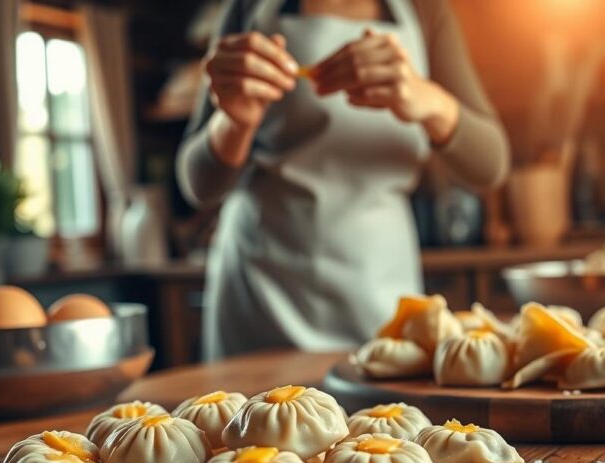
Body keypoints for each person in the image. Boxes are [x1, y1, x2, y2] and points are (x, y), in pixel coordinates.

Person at [177, 0, 509, 360]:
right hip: (262, 292)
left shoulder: (426, 10)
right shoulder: (247, 8)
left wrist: (429, 100)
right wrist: (234, 122)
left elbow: (490, 165)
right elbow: (198, 186)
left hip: (381, 290)